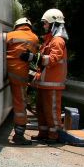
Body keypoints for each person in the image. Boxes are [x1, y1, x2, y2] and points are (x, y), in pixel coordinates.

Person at [29, 8, 68, 143]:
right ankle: (44, 133)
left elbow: (52, 60)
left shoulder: (57, 41)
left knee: (52, 111)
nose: (44, 26)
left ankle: (54, 135)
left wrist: (34, 58)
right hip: (45, 83)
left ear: (53, 24)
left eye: (46, 23)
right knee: (41, 110)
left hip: (52, 84)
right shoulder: (49, 40)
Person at [6, 17, 40, 144]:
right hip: (19, 74)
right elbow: (35, 55)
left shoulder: (9, 35)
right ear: (29, 26)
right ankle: (19, 135)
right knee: (20, 103)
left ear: (17, 26)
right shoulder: (34, 38)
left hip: (5, 70)